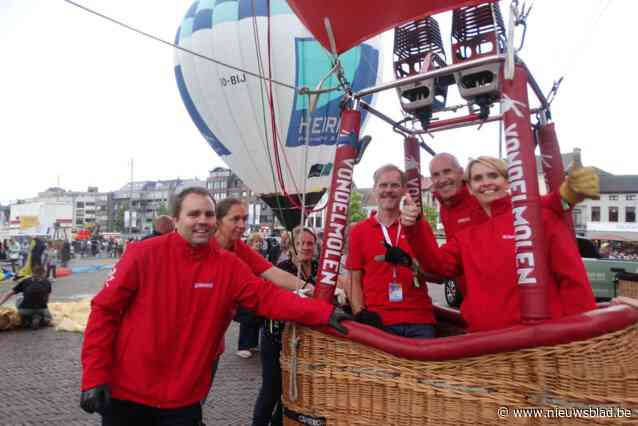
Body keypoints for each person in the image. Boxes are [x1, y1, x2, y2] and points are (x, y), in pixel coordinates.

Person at [80, 187, 351, 425]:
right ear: (176, 220)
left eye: (208, 214)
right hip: (129, 393)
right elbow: (104, 312)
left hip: (182, 398)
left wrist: (323, 312)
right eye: (193, 214)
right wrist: (95, 376)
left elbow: (267, 296)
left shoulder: (229, 264)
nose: (202, 221)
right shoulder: (142, 254)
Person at [402, 156, 597, 332]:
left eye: (493, 175)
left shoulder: (535, 217)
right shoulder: (465, 236)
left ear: (507, 181)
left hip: (537, 338)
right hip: (485, 340)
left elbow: (572, 279)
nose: (486, 183)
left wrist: (579, 330)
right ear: (470, 187)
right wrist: (415, 228)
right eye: (478, 179)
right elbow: (438, 264)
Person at [428, 152, 599, 300]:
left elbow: (532, 207)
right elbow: (444, 260)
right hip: (476, 297)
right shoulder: (445, 207)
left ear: (461, 175)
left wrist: (566, 195)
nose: (442, 179)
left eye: (447, 172)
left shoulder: (484, 198)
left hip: (512, 295)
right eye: (435, 174)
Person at [214, 199, 312, 359]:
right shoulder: (204, 246)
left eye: (244, 219)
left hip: (214, 337)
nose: (241, 225)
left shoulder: (239, 247)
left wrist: (309, 288)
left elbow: (272, 272)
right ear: (218, 220)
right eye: (235, 219)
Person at [347, 164, 436, 338]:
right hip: (378, 321)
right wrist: (359, 314)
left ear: (403, 190)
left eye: (395, 185)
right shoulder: (359, 231)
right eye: (383, 185)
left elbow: (437, 276)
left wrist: (411, 264)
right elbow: (354, 281)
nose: (389, 190)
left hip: (419, 320)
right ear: (374, 190)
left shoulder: (419, 225)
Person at [253, 226, 318, 426]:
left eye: (309, 243)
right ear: (291, 246)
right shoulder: (283, 269)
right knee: (272, 388)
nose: (305, 247)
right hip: (277, 336)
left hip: (303, 339)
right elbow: (275, 301)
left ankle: (277, 422)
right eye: (300, 243)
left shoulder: (318, 268)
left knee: (292, 389)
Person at [0, 264, 52, 329]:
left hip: (25, 310)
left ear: (32, 273)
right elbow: (47, 299)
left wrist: (1, 302)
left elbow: (10, 293)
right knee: (49, 318)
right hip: (41, 309)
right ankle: (39, 318)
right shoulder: (47, 282)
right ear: (43, 274)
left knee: (19, 300)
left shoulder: (26, 281)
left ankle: (27, 319)